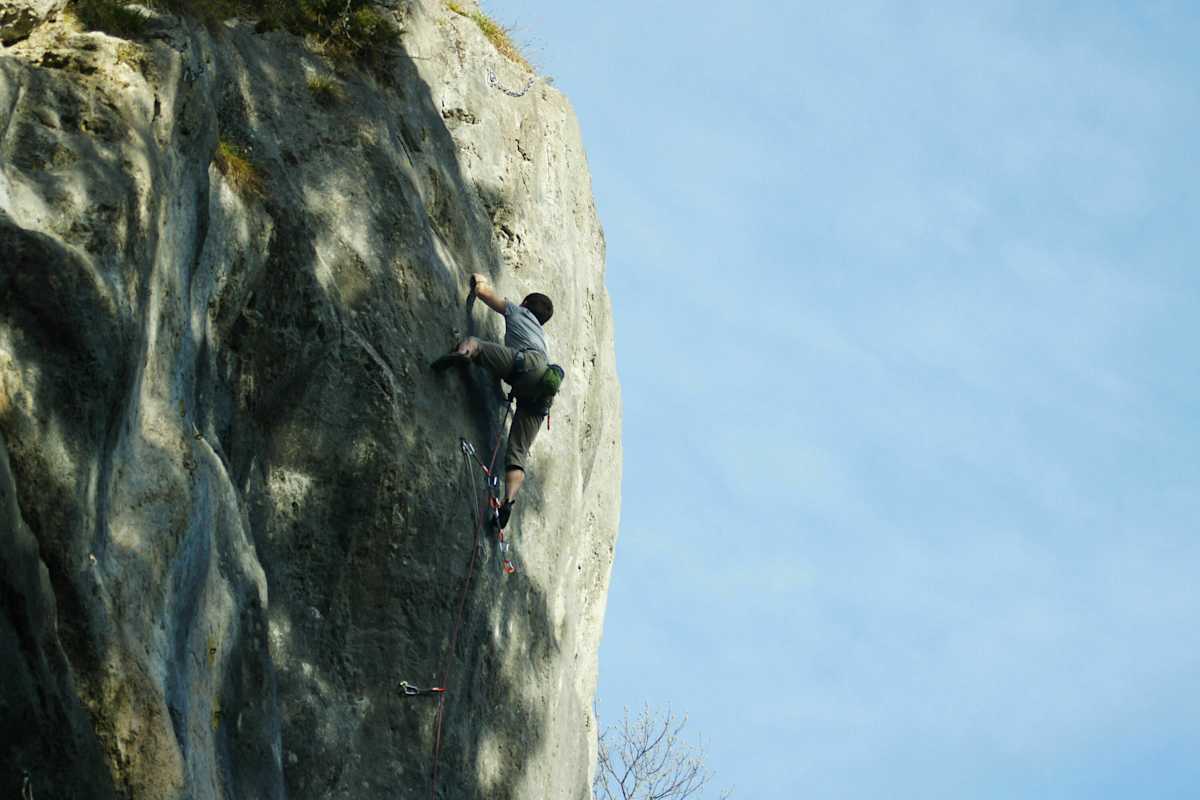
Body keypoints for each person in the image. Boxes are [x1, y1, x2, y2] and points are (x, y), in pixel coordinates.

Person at [431, 272, 561, 529]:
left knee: (475, 343)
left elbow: (485, 294)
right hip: (542, 391)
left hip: (525, 367)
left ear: (525, 304)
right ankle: (508, 502)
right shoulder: (541, 339)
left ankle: (464, 353)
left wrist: (479, 280)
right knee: (518, 452)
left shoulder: (519, 312)